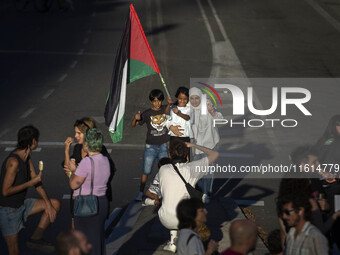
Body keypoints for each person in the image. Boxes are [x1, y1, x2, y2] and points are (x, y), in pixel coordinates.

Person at [0, 125, 61, 255]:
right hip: (8, 210)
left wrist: (48, 204)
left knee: (55, 204)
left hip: (22, 204)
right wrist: (30, 183)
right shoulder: (14, 162)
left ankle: (36, 238)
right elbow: (5, 191)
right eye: (37, 139)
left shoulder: (26, 158)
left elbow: (36, 181)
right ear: (33, 141)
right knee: (14, 251)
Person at [158, 140, 219, 252]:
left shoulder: (163, 169)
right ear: (187, 156)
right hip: (183, 219)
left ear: (170, 154)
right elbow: (215, 154)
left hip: (164, 218)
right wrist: (194, 145)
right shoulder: (192, 168)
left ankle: (172, 242)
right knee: (189, 205)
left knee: (173, 199)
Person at [67, 129, 110, 255]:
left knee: (86, 242)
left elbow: (73, 184)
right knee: (98, 239)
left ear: (87, 144)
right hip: (102, 202)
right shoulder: (105, 160)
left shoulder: (87, 162)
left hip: (88, 204)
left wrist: (73, 170)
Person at [64, 117, 116, 217]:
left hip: (95, 198)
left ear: (88, 134)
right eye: (75, 133)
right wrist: (66, 151)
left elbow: (110, 170)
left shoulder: (99, 150)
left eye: (79, 133)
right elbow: (68, 170)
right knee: (75, 225)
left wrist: (80, 171)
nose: (75, 136)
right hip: (78, 196)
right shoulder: (77, 148)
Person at [131, 89, 172, 201]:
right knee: (146, 170)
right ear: (151, 102)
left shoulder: (165, 109)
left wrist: (169, 103)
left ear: (161, 101)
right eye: (154, 101)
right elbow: (133, 125)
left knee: (165, 170)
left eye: (159, 101)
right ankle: (140, 192)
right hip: (150, 147)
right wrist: (136, 118)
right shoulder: (147, 113)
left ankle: (164, 192)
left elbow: (168, 112)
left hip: (164, 145)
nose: (157, 103)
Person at [189, 87, 223, 203]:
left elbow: (220, 119)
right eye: (192, 98)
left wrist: (212, 112)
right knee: (196, 171)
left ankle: (206, 193)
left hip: (209, 144)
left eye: (197, 98)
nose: (194, 101)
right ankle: (198, 192)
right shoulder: (187, 108)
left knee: (208, 171)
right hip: (195, 146)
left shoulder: (207, 104)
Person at [166, 87, 192, 158]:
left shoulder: (190, 109)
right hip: (173, 138)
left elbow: (187, 117)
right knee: (173, 158)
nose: (182, 101)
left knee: (185, 158)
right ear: (177, 97)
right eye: (180, 98)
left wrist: (178, 113)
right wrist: (169, 104)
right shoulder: (172, 108)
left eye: (185, 99)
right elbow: (166, 116)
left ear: (188, 99)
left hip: (185, 138)